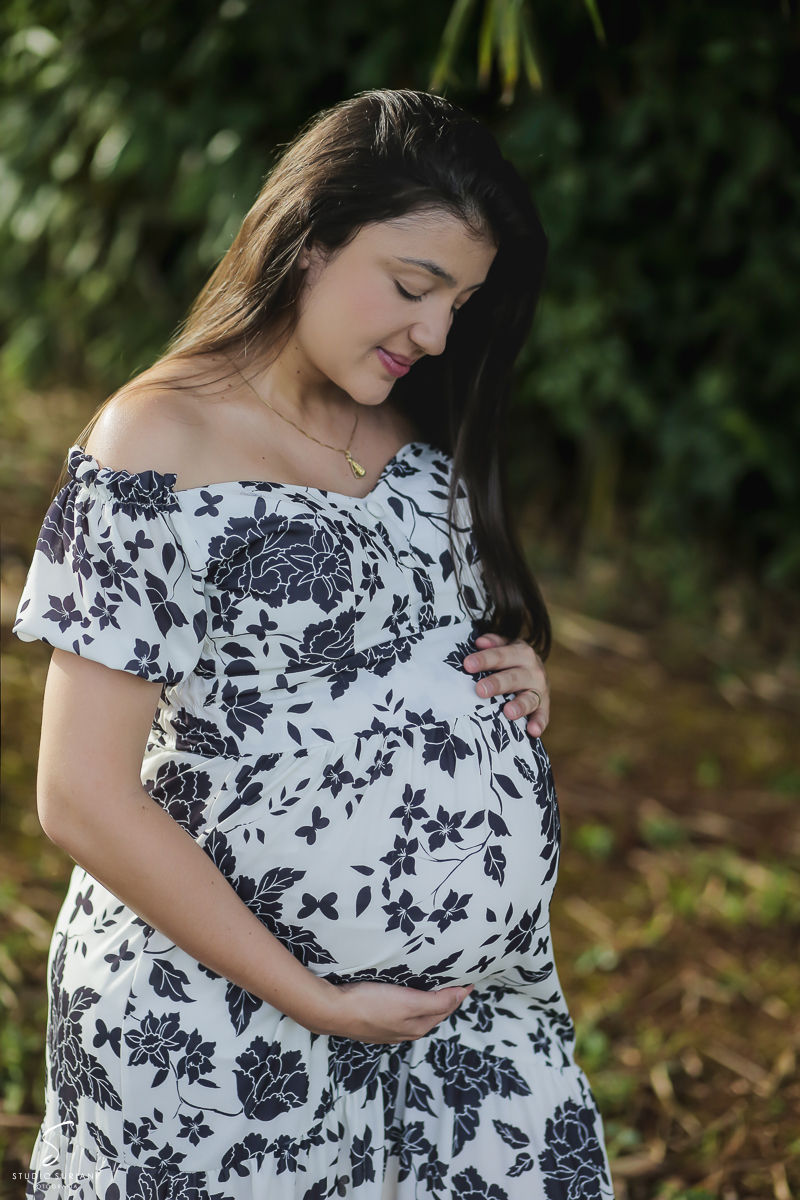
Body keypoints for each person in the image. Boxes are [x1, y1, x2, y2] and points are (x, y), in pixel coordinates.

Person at [13, 89, 612, 1199]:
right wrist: (316, 999)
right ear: (309, 237)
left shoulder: (414, 431)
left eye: (459, 303)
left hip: (456, 1033)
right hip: (221, 1032)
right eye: (412, 286)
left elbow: (417, 659)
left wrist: (510, 681)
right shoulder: (157, 437)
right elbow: (81, 794)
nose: (434, 333)